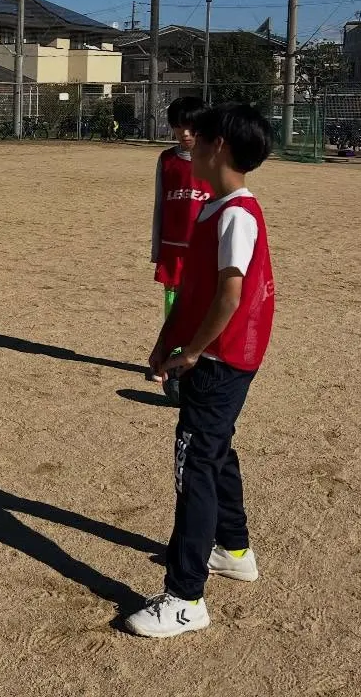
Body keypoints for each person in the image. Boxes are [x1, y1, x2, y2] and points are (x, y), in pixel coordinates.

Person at [126, 103, 275, 639]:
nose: (189, 144)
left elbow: (230, 296)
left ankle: (185, 598)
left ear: (220, 147)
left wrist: (191, 351)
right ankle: (233, 550)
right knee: (215, 450)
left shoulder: (237, 213)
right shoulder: (215, 208)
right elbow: (193, 291)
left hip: (219, 361)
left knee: (194, 470)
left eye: (200, 137)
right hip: (210, 357)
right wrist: (165, 340)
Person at [150, 95, 211, 405]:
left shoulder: (213, 159)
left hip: (204, 251)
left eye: (190, 127)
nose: (184, 134)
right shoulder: (167, 160)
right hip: (173, 249)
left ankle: (200, 358)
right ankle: (170, 359)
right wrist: (156, 248)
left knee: (204, 305)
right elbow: (159, 206)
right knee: (173, 305)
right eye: (178, 127)